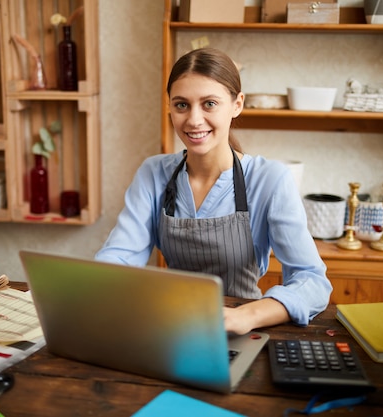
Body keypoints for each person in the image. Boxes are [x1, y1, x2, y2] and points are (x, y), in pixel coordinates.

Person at [95, 48, 332, 335]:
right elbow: (119, 257)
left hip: (240, 332)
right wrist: (98, 286)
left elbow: (313, 281)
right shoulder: (154, 173)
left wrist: (248, 316)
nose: (194, 120)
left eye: (209, 103)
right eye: (181, 105)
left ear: (237, 105)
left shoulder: (269, 180)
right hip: (173, 327)